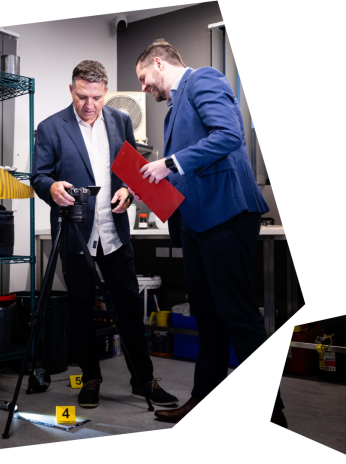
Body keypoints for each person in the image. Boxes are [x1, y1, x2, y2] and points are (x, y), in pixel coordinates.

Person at [131, 39, 286, 424]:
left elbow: (230, 136)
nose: (144, 87)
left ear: (158, 62)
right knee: (207, 315)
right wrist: (149, 185)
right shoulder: (172, 112)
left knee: (237, 313)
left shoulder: (204, 80)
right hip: (199, 223)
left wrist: (170, 163)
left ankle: (271, 414)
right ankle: (205, 400)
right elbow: (188, 171)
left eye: (144, 78)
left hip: (227, 215)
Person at [32, 60, 178, 409]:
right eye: (83, 96)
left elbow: (133, 171)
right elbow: (38, 176)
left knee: (129, 308)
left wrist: (128, 190)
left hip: (114, 234)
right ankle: (91, 379)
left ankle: (143, 381)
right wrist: (51, 187)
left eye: (96, 97)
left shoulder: (121, 120)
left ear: (106, 92)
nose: (89, 105)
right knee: (82, 310)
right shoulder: (50, 128)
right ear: (72, 90)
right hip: (75, 236)